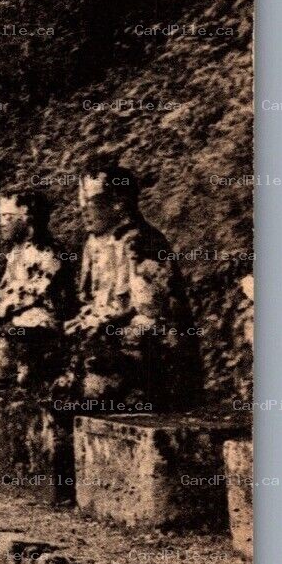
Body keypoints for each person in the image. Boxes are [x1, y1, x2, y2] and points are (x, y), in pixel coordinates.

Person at [62, 160, 190, 405]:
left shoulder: (141, 242)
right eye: (81, 203)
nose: (83, 211)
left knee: (90, 382)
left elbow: (151, 312)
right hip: (108, 336)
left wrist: (106, 326)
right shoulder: (93, 244)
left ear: (118, 203)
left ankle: (140, 390)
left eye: (90, 202)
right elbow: (89, 300)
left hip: (146, 346)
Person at [0, 189, 74, 389]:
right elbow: (4, 289)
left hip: (43, 320)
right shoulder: (15, 253)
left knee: (12, 335)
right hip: (17, 317)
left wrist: (4, 308)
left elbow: (35, 292)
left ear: (27, 217)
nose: (2, 223)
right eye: (0, 217)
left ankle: (14, 377)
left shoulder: (48, 251)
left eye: (7, 217)